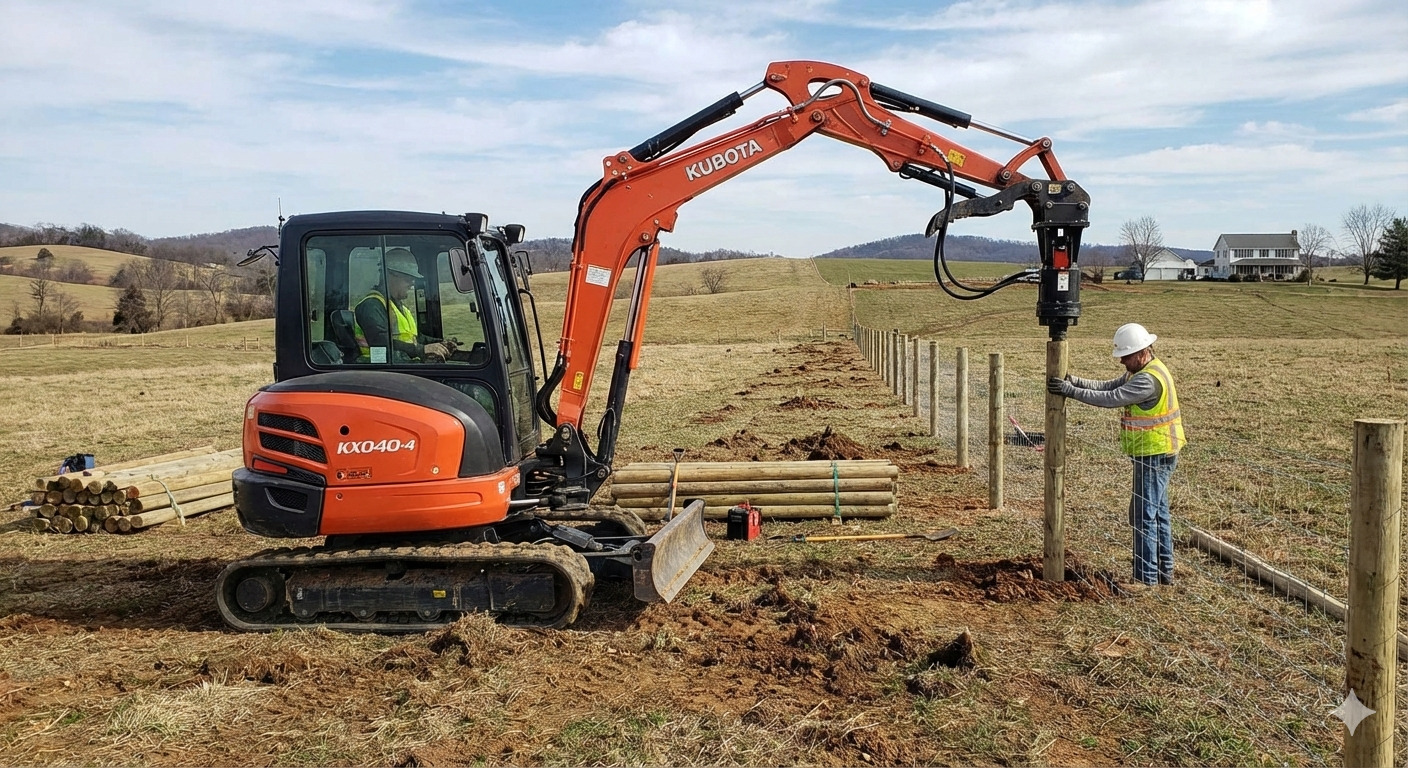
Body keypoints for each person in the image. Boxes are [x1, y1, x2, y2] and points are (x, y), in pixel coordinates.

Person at [1047, 323, 1185, 587]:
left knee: (1143, 515)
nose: (1121, 360)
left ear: (1142, 351)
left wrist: (1069, 392)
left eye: (1126, 355)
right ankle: (1163, 574)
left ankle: (1146, 580)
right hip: (1158, 451)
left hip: (1154, 454)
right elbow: (1107, 385)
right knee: (1158, 513)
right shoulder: (1145, 369)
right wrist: (1074, 381)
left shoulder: (1146, 379)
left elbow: (1111, 397)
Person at [353, 248, 454, 363]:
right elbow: (381, 342)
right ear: (390, 275)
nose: (412, 283)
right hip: (383, 371)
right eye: (408, 278)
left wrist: (440, 343)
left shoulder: (399, 308)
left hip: (402, 366)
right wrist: (421, 350)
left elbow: (415, 338)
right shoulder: (371, 306)